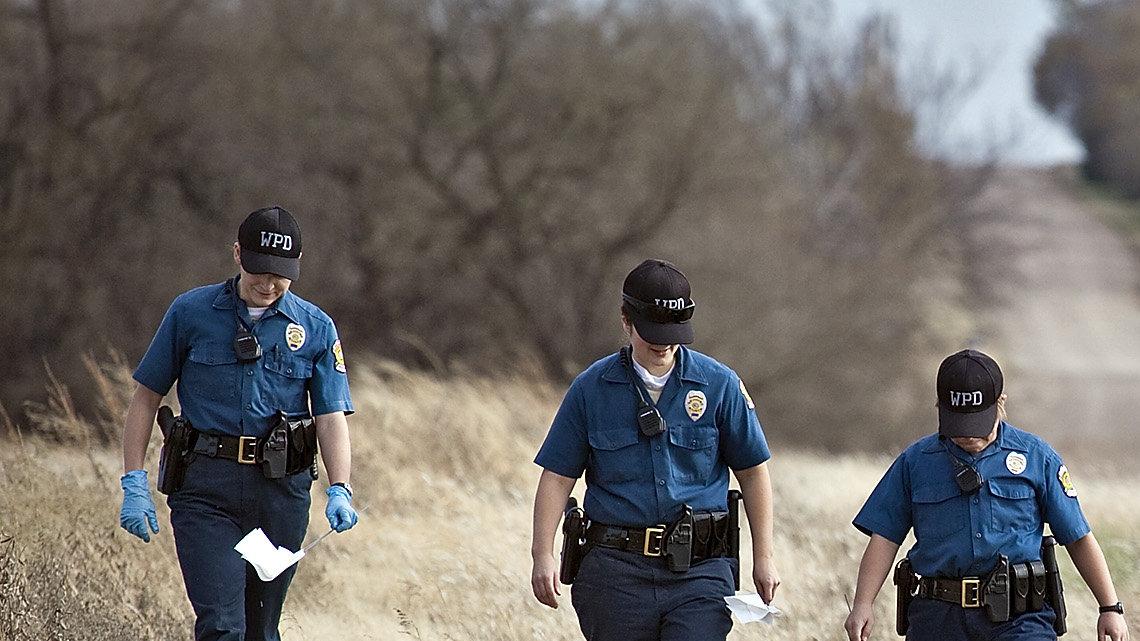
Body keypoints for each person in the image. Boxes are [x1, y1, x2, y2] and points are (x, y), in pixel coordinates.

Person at [118, 206, 358, 641]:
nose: (268, 285)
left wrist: (339, 487)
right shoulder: (190, 313)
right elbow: (146, 398)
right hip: (206, 490)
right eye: (258, 272)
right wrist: (134, 482)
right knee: (222, 626)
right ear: (236, 254)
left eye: (280, 276)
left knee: (261, 630)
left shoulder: (316, 328)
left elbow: (330, 415)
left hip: (280, 494)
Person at [530, 258, 780, 641]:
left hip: (701, 572)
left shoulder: (720, 385)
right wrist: (541, 554)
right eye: (652, 330)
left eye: (673, 331)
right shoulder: (590, 389)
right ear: (626, 320)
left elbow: (752, 471)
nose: (663, 342)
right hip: (614, 573)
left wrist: (764, 557)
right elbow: (558, 476)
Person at [844, 349, 1129, 641]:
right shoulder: (915, 462)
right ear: (940, 407)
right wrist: (863, 603)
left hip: (1020, 619)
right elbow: (885, 536)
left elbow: (1077, 536)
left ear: (1000, 403)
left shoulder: (1036, 457)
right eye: (959, 426)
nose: (968, 436)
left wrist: (1110, 607)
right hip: (938, 619)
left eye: (978, 426)